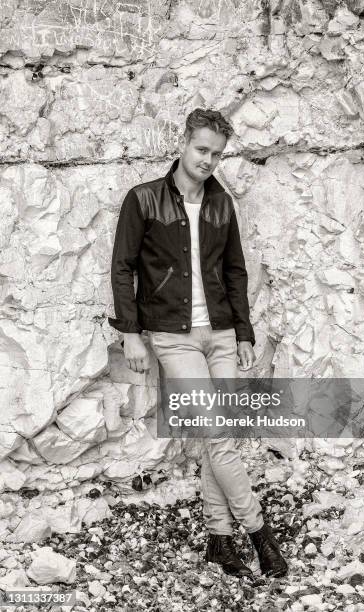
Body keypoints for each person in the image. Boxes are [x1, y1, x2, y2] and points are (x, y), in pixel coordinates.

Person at [108, 108, 288, 578]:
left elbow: (234, 270)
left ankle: (218, 541)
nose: (208, 160)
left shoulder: (220, 204)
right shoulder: (143, 200)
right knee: (221, 437)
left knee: (218, 439)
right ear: (183, 143)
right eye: (202, 149)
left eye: (217, 154)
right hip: (173, 338)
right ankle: (259, 534)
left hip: (223, 335)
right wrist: (130, 333)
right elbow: (122, 267)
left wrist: (244, 332)